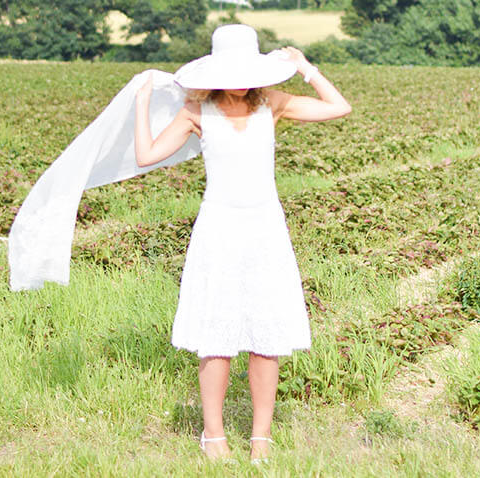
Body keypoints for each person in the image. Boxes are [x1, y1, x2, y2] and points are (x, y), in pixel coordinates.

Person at [134, 24, 351, 462]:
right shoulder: (196, 112)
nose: (240, 81)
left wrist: (306, 67)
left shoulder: (272, 104)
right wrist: (140, 103)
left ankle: (261, 440)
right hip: (219, 226)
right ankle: (213, 436)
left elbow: (339, 107)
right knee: (217, 335)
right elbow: (146, 156)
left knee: (265, 335)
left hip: (265, 225)